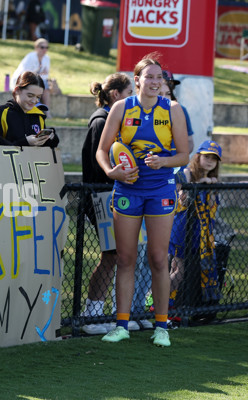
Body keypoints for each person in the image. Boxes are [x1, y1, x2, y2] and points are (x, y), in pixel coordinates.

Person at [96, 55, 189, 347]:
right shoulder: (121, 108)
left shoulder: (173, 109)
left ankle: (161, 327)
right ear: (136, 80)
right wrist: (112, 172)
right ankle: (121, 324)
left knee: (159, 259)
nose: (155, 82)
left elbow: (184, 156)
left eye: (159, 77)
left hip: (161, 190)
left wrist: (163, 161)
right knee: (125, 259)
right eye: (149, 77)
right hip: (127, 191)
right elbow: (102, 149)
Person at [80, 73, 133, 335]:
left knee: (118, 256)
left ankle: (105, 310)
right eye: (128, 93)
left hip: (113, 196)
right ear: (115, 95)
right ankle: (92, 312)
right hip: (103, 197)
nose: (132, 99)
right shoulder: (102, 121)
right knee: (110, 256)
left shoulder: (112, 120)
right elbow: (97, 164)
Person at [169, 140, 222, 307]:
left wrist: (212, 188)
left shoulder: (212, 179)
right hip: (182, 230)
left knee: (177, 269)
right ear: (198, 156)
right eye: (206, 156)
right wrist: (200, 185)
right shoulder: (188, 173)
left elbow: (213, 207)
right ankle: (156, 301)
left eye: (213, 159)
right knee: (179, 270)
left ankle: (170, 303)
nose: (209, 161)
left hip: (200, 233)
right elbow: (182, 197)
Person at [0, 71, 59, 148]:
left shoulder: (38, 115)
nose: (34, 101)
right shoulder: (0, 113)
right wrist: (25, 142)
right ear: (17, 90)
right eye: (30, 95)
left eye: (38, 97)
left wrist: (51, 139)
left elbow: (43, 148)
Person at [10, 38, 52, 108]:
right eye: (42, 47)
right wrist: (39, 71)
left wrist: (39, 73)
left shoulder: (46, 58)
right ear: (36, 47)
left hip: (36, 81)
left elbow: (45, 75)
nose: (44, 49)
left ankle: (47, 110)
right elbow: (25, 74)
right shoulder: (30, 57)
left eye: (46, 47)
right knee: (39, 87)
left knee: (45, 87)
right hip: (23, 81)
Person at [161, 71, 194, 153]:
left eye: (171, 85)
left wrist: (180, 158)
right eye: (160, 93)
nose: (164, 97)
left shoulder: (181, 110)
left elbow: (190, 141)